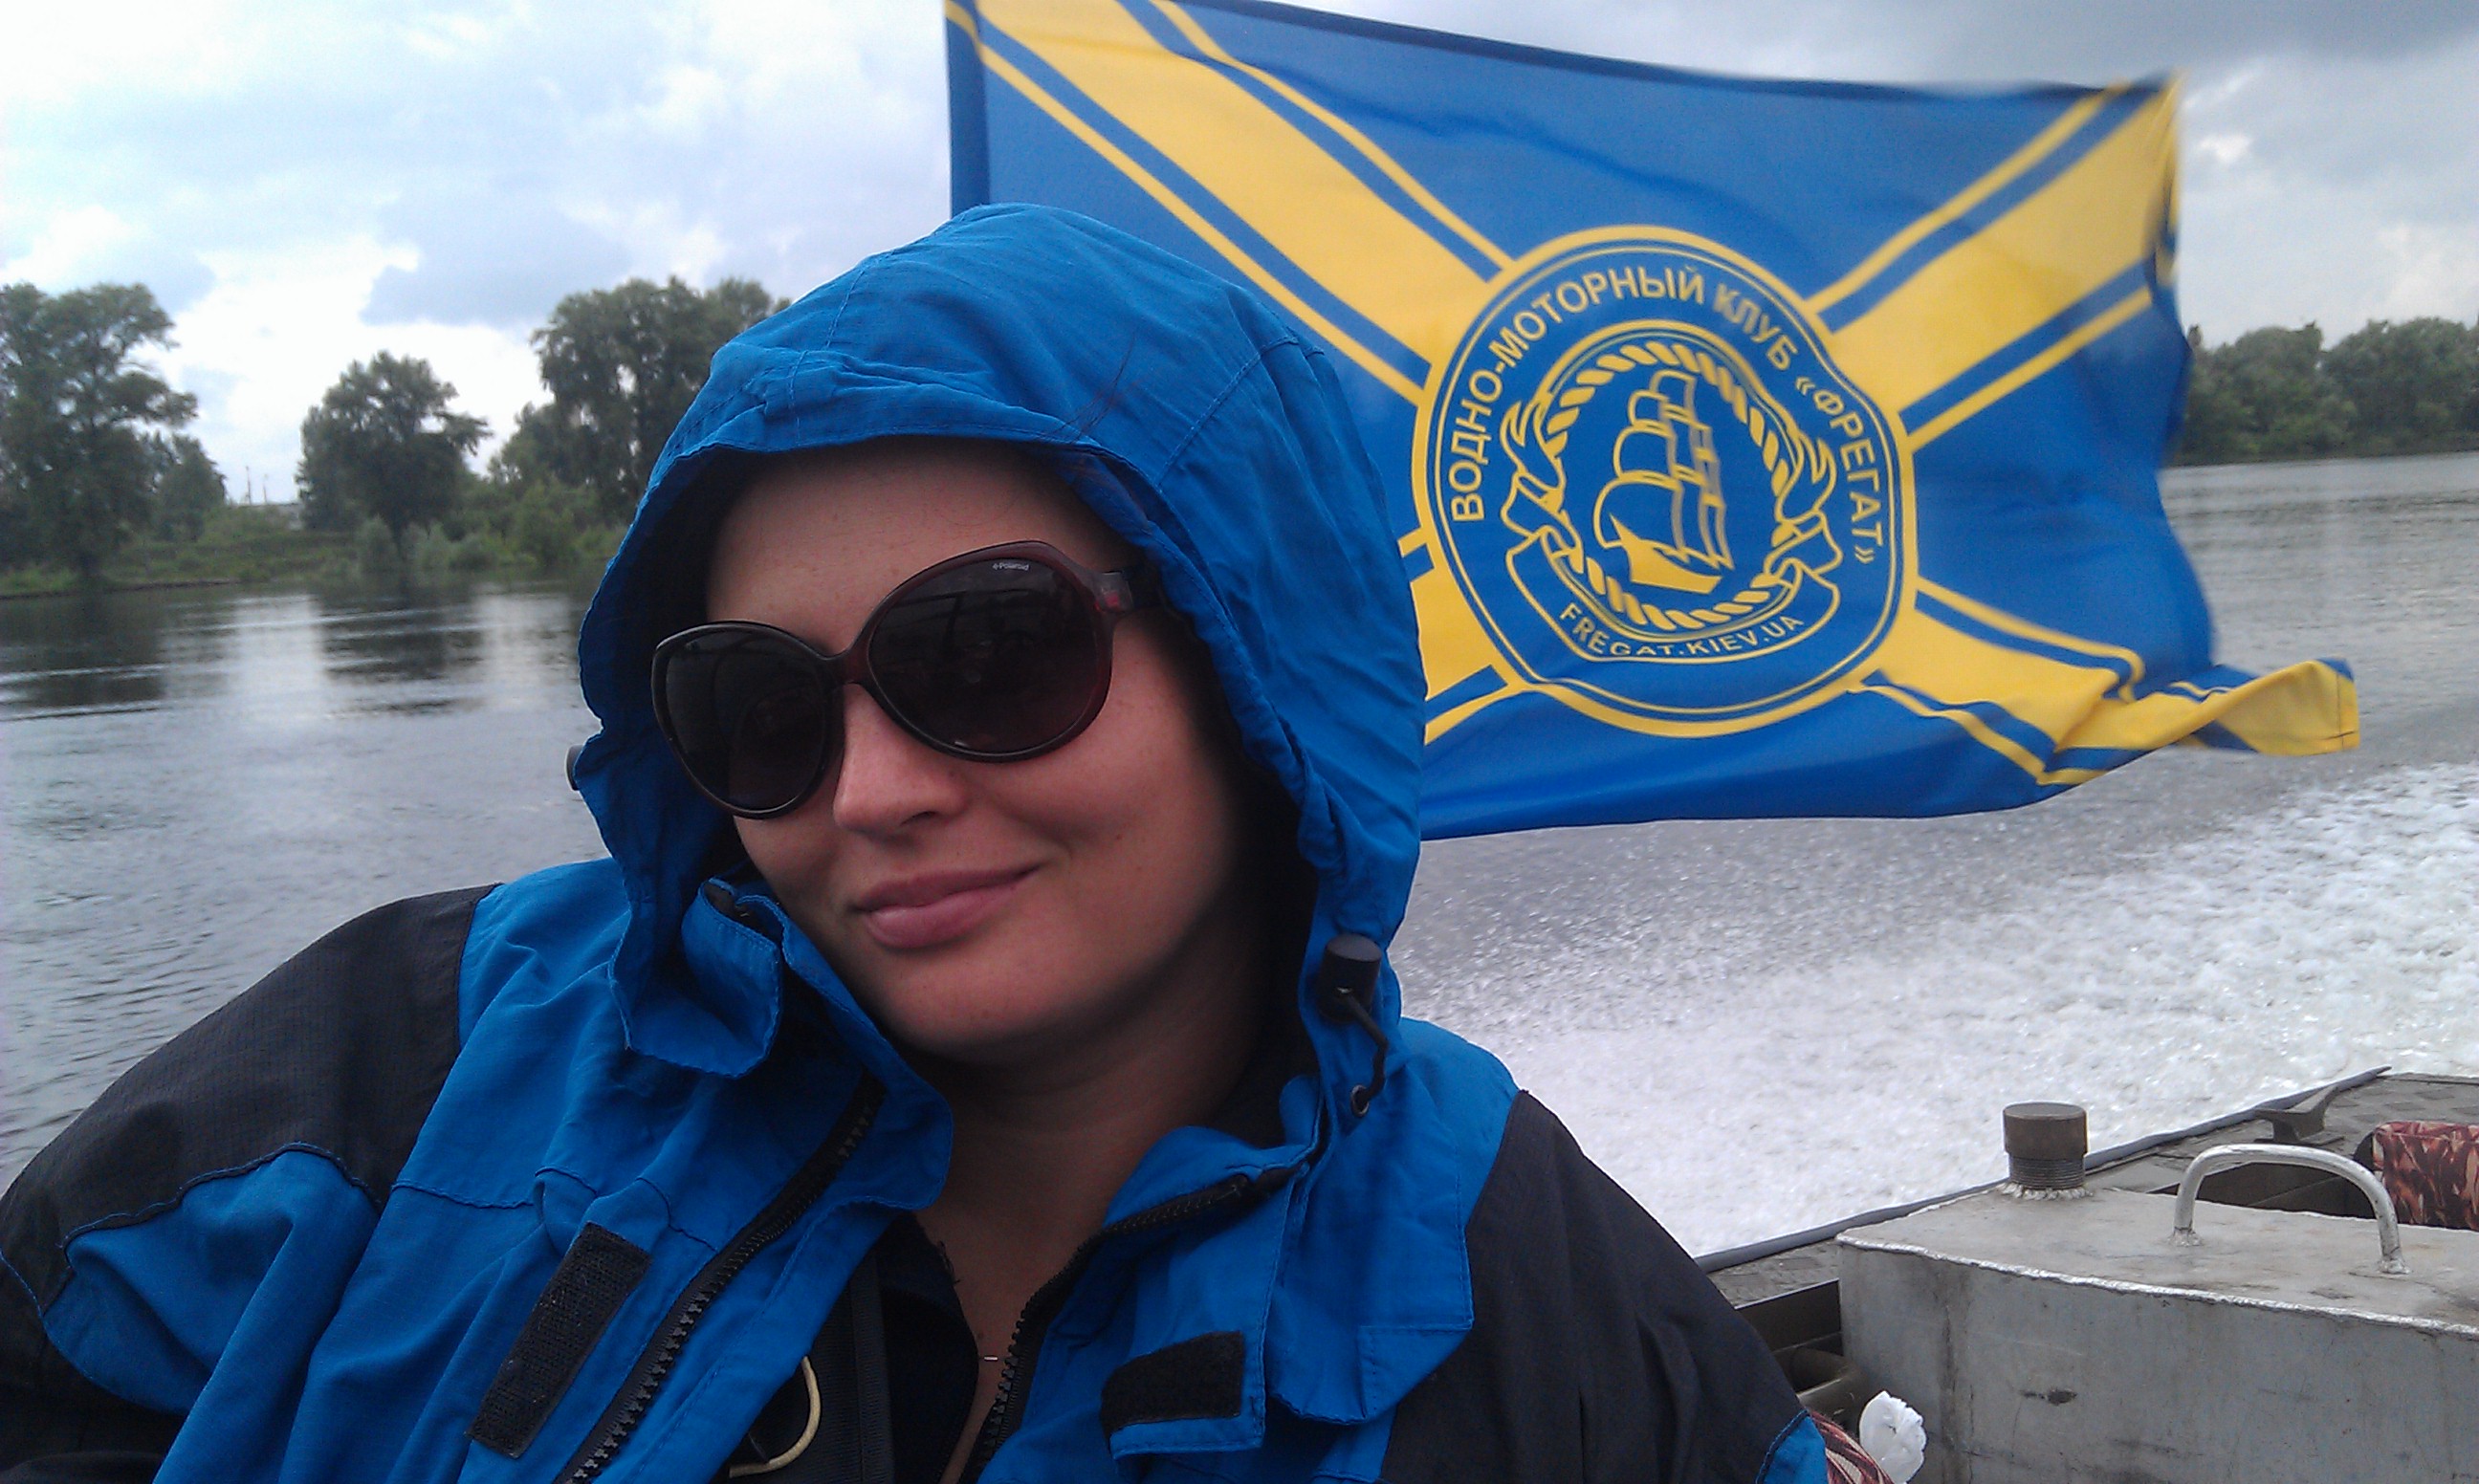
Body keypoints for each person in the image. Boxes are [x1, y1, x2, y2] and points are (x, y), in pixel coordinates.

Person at [0, 207, 1856, 1483]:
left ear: (1253, 673)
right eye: (761, 709)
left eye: (986, 653)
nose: (870, 790)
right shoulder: (426, 1059)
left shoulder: (1521, 1277)